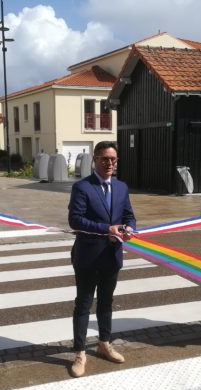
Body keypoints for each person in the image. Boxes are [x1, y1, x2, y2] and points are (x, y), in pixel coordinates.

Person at [68, 141, 136, 377]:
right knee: (84, 304)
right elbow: (75, 221)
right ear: (95, 160)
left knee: (106, 302)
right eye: (105, 159)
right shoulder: (82, 187)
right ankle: (79, 352)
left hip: (111, 256)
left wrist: (128, 229)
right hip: (87, 256)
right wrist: (107, 228)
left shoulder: (121, 187)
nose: (110, 164)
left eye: (113, 160)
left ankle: (104, 343)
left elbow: (128, 215)